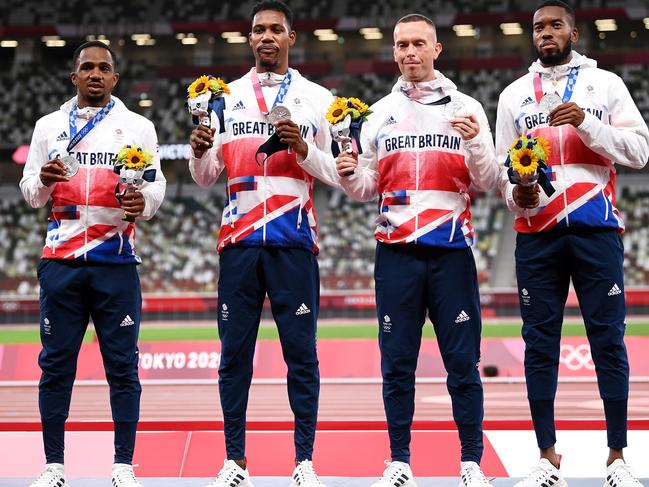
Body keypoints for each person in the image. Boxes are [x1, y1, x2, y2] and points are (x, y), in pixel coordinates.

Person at [322, 13, 499, 487]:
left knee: (462, 363)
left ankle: (471, 463)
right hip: (396, 253)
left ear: (437, 49)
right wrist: (346, 171)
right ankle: (399, 461)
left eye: (419, 43)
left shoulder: (468, 107)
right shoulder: (377, 113)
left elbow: (489, 180)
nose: (410, 53)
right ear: (394, 51)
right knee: (397, 362)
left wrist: (478, 143)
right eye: (402, 45)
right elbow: (364, 187)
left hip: (451, 253)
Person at [495, 2, 649, 486]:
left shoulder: (605, 86)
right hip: (536, 236)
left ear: (573, 32)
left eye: (554, 25)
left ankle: (617, 457)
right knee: (539, 346)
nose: (546, 33)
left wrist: (586, 123)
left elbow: (640, 151)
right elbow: (503, 171)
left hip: (595, 232)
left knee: (609, 341)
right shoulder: (514, 95)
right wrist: (517, 193)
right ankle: (547, 456)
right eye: (538, 27)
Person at [187, 1, 339, 486]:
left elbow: (339, 173)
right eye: (258, 31)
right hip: (239, 242)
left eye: (276, 29)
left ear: (292, 37)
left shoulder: (318, 98)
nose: (266, 37)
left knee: (303, 356)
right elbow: (207, 176)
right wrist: (198, 151)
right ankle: (235, 460)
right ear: (249, 39)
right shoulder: (223, 97)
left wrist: (302, 148)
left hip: (294, 241)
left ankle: (304, 463)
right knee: (234, 356)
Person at [20, 41, 166, 487]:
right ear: (75, 77)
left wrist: (143, 202)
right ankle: (54, 466)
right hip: (61, 262)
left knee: (122, 367)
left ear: (115, 79)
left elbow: (156, 190)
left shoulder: (138, 126)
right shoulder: (48, 126)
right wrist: (42, 181)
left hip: (115, 262)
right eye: (88, 68)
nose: (96, 74)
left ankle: (122, 466)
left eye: (105, 68)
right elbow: (29, 190)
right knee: (56, 366)